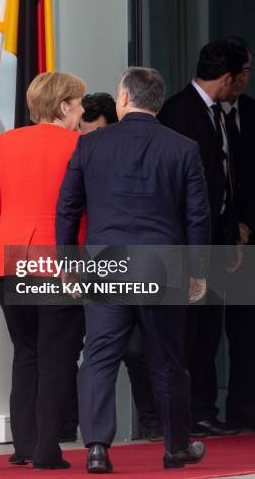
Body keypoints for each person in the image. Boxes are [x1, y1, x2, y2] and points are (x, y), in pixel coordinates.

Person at [56, 67, 210, 473]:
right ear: (156, 102)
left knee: (99, 357)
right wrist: (197, 271)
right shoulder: (183, 148)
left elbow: (68, 207)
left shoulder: (90, 146)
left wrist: (69, 262)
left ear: (123, 99)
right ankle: (176, 446)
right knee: (168, 360)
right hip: (162, 265)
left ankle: (96, 448)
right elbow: (198, 216)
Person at [0, 72, 86, 470]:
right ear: (64, 105)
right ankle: (46, 450)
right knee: (57, 355)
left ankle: (24, 446)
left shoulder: (8, 142)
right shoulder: (81, 145)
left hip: (7, 258)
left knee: (27, 352)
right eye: (80, 103)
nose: (83, 110)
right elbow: (84, 211)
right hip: (56, 261)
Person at [159, 38, 247, 437]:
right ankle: (187, 412)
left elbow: (225, 181)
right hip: (188, 242)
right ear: (226, 77)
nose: (243, 83)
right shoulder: (179, 112)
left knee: (209, 329)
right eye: (242, 74)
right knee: (190, 330)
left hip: (216, 240)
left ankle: (202, 410)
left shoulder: (221, 114)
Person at [76, 92, 163, 442]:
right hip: (83, 262)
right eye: (84, 132)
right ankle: (82, 429)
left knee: (137, 348)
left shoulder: (123, 155)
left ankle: (153, 420)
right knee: (81, 352)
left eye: (96, 131)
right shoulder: (80, 153)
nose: (89, 139)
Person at [220, 37, 255, 430]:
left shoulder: (251, 113)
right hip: (210, 240)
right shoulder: (188, 112)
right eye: (242, 71)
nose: (246, 78)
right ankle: (202, 411)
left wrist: (246, 224)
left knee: (246, 333)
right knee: (204, 329)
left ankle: (244, 411)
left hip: (248, 241)